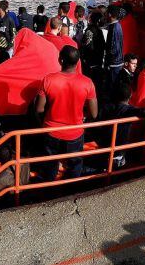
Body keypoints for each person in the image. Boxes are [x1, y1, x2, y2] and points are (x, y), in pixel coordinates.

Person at [35, 46, 98, 181]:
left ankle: (50, 194)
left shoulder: (48, 80)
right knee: (74, 166)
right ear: (78, 61)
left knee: (50, 167)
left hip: (51, 131)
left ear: (60, 60)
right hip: (75, 133)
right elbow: (94, 114)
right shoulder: (88, 83)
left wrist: (44, 123)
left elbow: (39, 109)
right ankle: (70, 192)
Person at [80, 12, 106, 87]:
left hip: (90, 62)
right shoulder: (99, 30)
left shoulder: (89, 30)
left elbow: (86, 45)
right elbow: (103, 45)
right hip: (98, 61)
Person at [104, 5, 124, 94]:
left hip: (114, 63)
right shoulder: (118, 25)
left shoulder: (113, 28)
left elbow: (113, 48)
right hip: (118, 61)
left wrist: (108, 62)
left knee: (112, 87)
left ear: (109, 14)